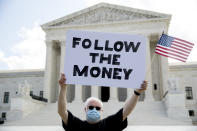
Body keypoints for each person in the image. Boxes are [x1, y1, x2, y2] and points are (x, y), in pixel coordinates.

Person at [58, 73, 147, 131]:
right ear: (85, 109)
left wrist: (137, 93)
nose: (94, 110)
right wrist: (63, 88)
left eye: (97, 108)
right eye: (91, 107)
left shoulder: (109, 124)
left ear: (102, 110)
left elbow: (126, 111)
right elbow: (62, 112)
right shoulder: (77, 125)